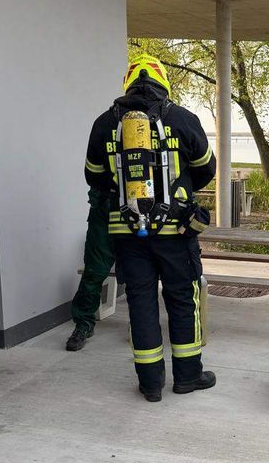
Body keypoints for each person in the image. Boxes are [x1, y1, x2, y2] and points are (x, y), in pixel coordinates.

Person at [84, 54, 216, 401]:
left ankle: (150, 384)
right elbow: (206, 168)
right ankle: (187, 377)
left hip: (127, 233)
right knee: (182, 302)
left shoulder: (103, 124)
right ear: (163, 82)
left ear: (128, 83)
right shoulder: (183, 119)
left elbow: (93, 177)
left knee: (141, 304)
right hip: (175, 232)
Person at [65, 186, 113, 351]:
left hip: (140, 211)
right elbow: (93, 170)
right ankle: (83, 325)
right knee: (93, 273)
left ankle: (140, 325)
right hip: (103, 212)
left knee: (140, 275)